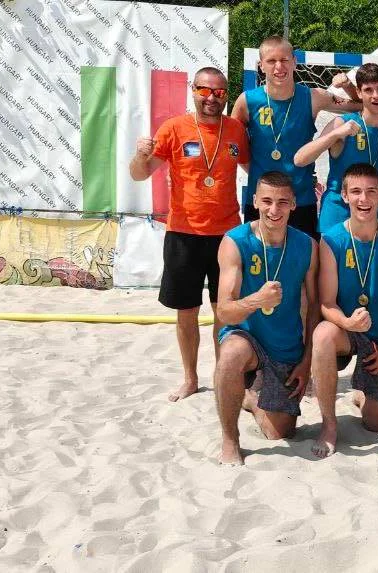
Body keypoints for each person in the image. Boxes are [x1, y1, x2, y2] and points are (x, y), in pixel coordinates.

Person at [129, 66, 249, 402]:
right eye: (204, 90)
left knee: (224, 311)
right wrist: (139, 155)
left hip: (227, 235)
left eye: (219, 92)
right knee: (187, 312)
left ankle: (222, 375)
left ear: (226, 95)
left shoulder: (236, 130)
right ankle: (190, 378)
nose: (211, 98)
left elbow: (256, 169)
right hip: (183, 234)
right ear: (193, 90)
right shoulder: (173, 129)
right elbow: (140, 174)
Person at [211, 171, 318, 465]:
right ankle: (230, 439)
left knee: (279, 433)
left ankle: (250, 399)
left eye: (282, 202)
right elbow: (224, 311)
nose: (274, 209)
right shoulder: (235, 241)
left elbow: (314, 307)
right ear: (255, 201)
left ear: (294, 204)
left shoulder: (307, 245)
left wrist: (307, 360)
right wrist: (258, 300)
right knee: (230, 354)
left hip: (285, 346)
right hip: (246, 336)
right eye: (267, 201)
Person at [311, 163, 378, 458]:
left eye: (370, 192)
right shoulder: (331, 239)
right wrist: (347, 322)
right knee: (323, 334)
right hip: (347, 331)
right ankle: (329, 425)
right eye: (355, 191)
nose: (363, 199)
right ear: (344, 196)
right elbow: (326, 302)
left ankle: (361, 394)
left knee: (377, 424)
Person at [232, 35, 366, 237]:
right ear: (261, 66)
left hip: (300, 200)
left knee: (305, 256)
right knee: (260, 256)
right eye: (271, 61)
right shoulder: (247, 101)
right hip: (261, 201)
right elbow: (234, 145)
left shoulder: (314, 97)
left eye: (284, 60)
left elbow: (360, 104)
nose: (279, 67)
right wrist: (257, 171)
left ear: (294, 62)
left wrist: (348, 86)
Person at [293, 63, 378, 234]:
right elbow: (300, 159)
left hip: (376, 219)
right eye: (368, 90)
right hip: (338, 221)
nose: (376, 95)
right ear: (358, 93)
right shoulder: (342, 124)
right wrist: (335, 135)